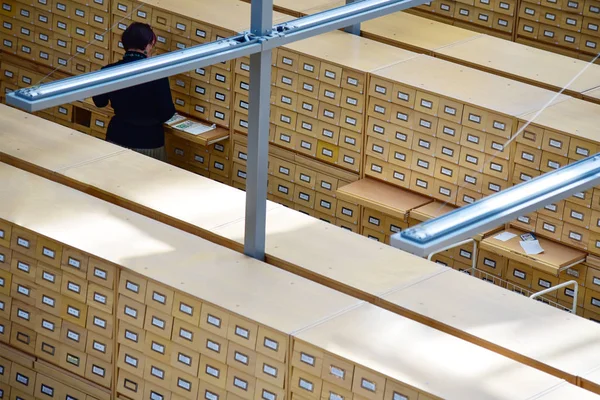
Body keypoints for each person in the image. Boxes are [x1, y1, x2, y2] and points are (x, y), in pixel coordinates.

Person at [93, 22, 175, 161]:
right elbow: (167, 112)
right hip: (148, 141)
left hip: (117, 137)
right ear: (148, 45)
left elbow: (100, 102)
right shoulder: (157, 74)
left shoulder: (108, 71)